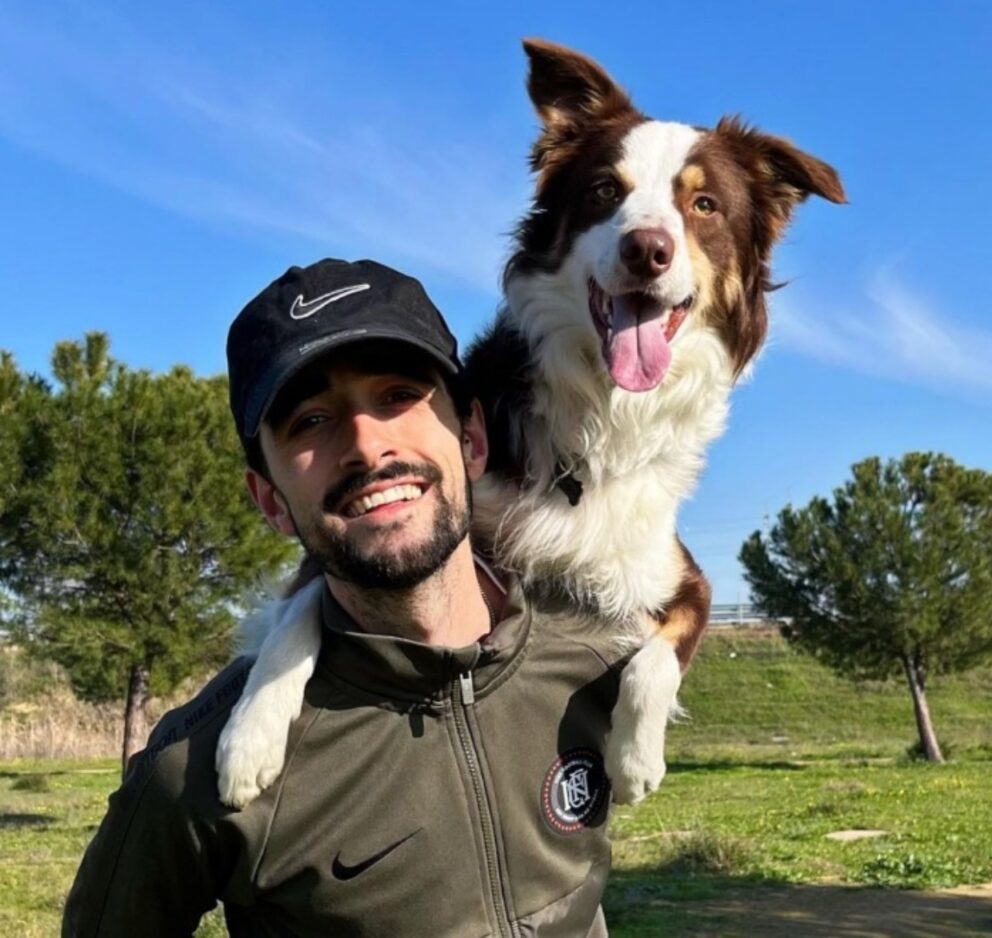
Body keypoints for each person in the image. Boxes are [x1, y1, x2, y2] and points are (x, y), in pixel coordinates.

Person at [62, 258, 625, 937]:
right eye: (311, 421)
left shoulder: (596, 660)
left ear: (472, 439)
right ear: (269, 499)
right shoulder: (194, 767)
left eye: (396, 395)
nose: (365, 444)